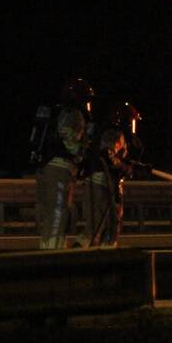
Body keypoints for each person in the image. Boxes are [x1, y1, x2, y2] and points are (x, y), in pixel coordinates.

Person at [81, 101, 151, 248]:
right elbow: (108, 156)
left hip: (108, 183)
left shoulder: (116, 134)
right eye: (131, 121)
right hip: (102, 183)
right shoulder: (114, 133)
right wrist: (126, 168)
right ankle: (80, 253)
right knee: (97, 224)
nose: (133, 126)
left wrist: (136, 167)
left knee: (113, 223)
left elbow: (119, 157)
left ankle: (107, 254)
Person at [35, 77, 94, 249]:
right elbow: (70, 142)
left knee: (52, 215)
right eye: (85, 100)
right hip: (60, 170)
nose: (87, 105)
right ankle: (53, 256)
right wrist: (85, 152)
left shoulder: (57, 112)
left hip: (46, 167)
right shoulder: (73, 114)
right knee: (58, 215)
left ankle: (50, 249)